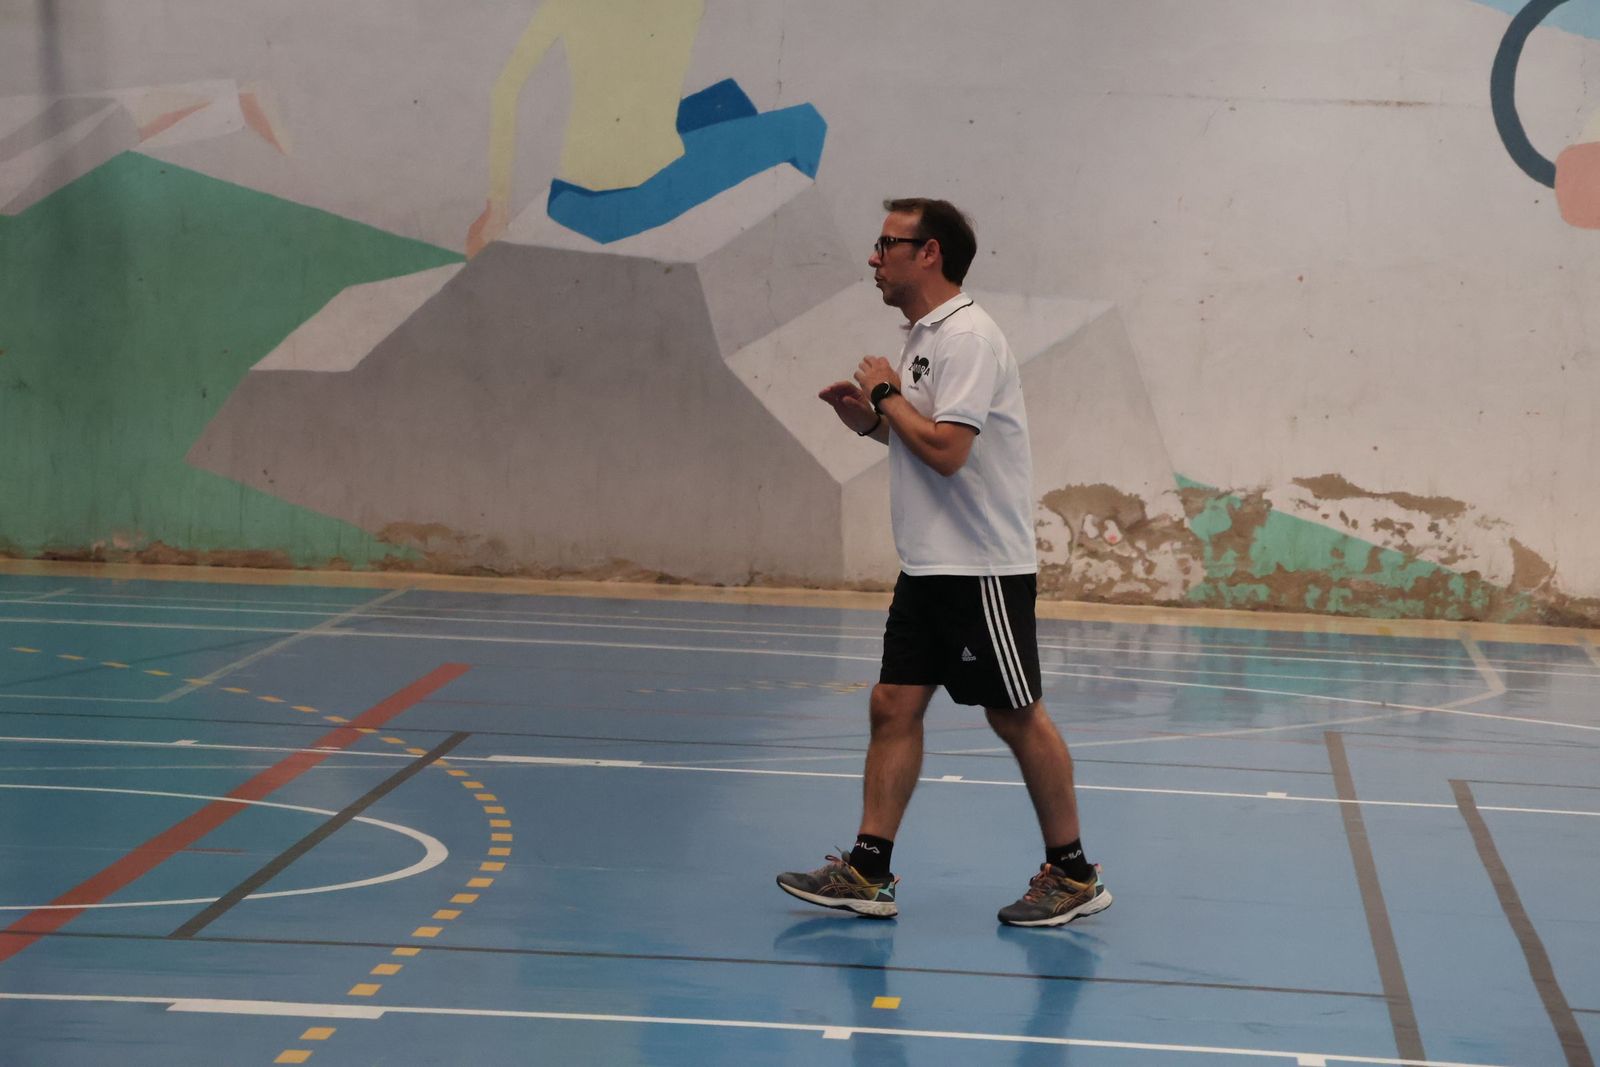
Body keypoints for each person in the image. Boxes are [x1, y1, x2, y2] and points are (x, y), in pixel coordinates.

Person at [776, 198, 1112, 927]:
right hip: (929, 565)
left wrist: (886, 394)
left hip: (979, 566)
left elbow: (950, 452)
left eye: (886, 244)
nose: (874, 257)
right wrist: (869, 420)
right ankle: (869, 868)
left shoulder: (968, 338)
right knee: (892, 703)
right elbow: (924, 437)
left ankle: (1075, 872)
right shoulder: (928, 337)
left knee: (1015, 713)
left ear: (927, 253)